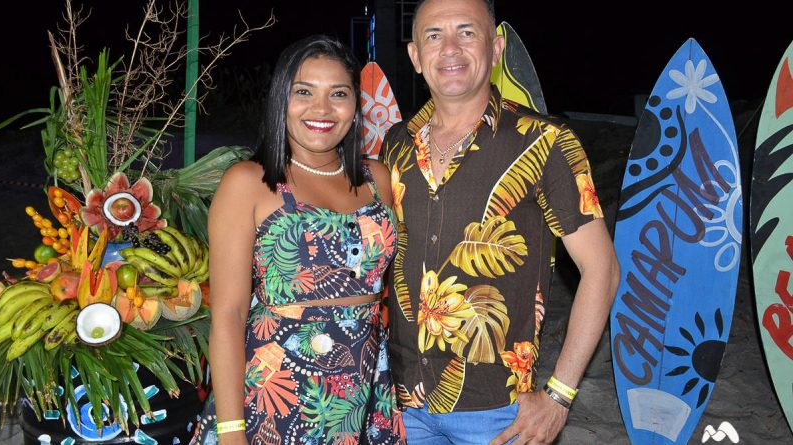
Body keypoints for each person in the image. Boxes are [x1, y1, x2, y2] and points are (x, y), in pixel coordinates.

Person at [380, 1, 620, 444]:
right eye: (433, 35)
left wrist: (561, 394)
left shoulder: (546, 141)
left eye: (466, 32)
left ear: (495, 48)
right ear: (415, 56)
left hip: (501, 411)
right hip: (401, 402)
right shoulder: (394, 145)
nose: (450, 48)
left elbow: (601, 268)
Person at [191, 35, 405, 445]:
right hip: (276, 394)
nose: (321, 109)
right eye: (304, 92)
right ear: (281, 100)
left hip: (363, 391)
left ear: (355, 106)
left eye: (338, 93)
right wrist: (232, 431)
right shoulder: (249, 182)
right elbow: (229, 315)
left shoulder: (377, 179)